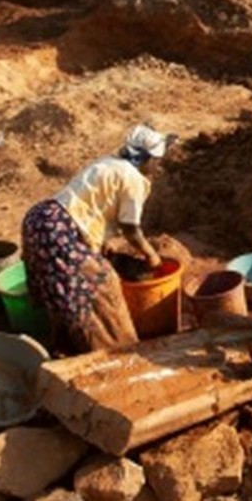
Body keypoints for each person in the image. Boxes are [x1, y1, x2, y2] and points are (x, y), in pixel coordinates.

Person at [20, 124, 174, 354]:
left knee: (60, 288)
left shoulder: (109, 163)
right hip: (58, 231)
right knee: (102, 288)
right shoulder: (133, 178)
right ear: (146, 158)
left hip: (40, 219)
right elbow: (130, 228)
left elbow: (92, 208)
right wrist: (151, 255)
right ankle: (115, 354)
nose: (158, 165)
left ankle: (64, 348)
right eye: (156, 159)